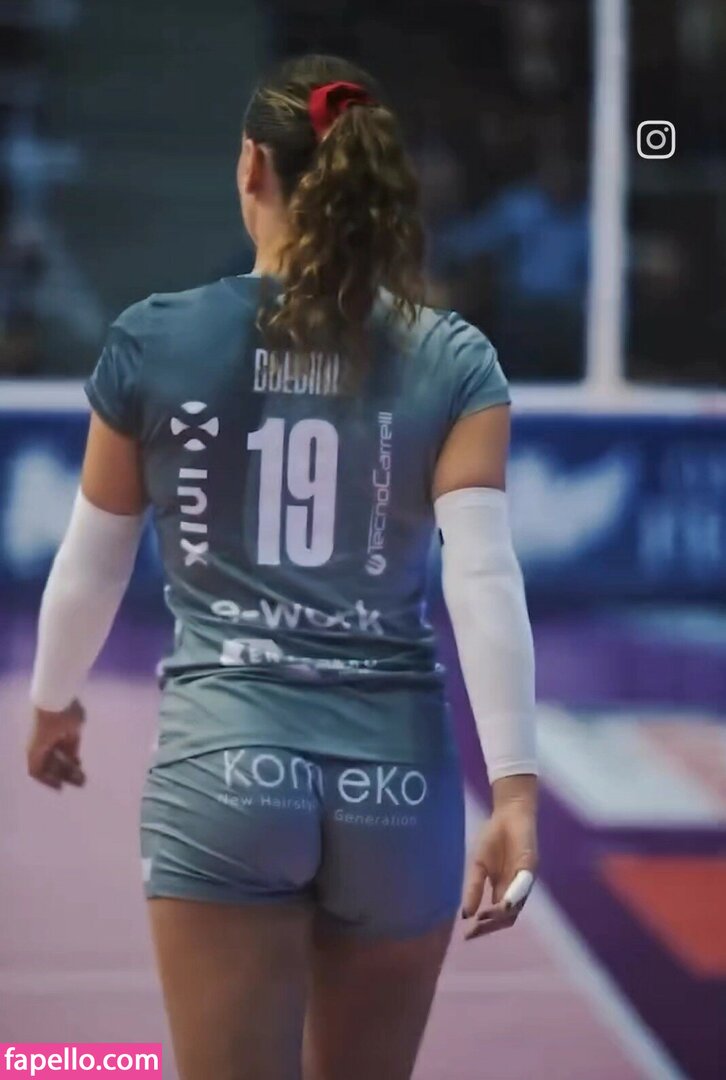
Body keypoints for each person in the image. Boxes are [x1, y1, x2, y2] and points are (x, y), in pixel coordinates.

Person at [26, 55, 538, 1080]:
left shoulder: (155, 340)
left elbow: (91, 564)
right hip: (397, 783)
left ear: (250, 165)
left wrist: (53, 703)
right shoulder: (452, 357)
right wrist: (515, 792)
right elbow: (482, 581)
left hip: (226, 768)